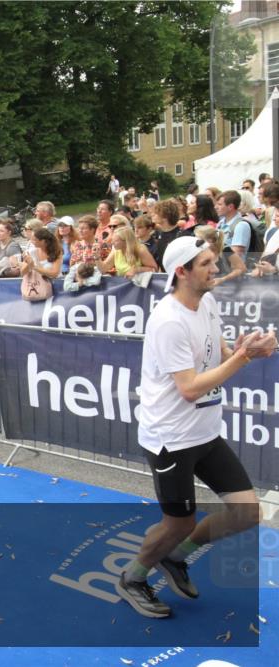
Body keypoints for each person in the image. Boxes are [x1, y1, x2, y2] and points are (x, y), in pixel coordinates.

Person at [116, 236, 275, 619]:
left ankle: (175, 559)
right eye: (205, 263)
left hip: (204, 432)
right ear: (181, 271)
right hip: (170, 438)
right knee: (179, 521)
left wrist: (248, 347)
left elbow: (218, 356)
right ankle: (134, 578)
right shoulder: (168, 321)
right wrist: (242, 358)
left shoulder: (207, 303)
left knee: (246, 513)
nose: (215, 269)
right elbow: (188, 388)